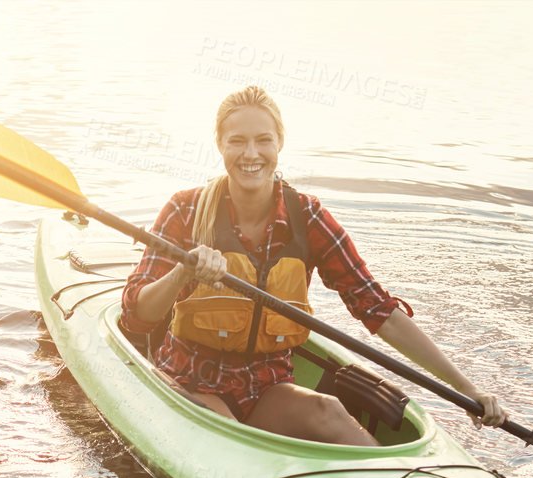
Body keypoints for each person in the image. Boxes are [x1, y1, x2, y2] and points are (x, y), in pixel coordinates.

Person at [121, 86, 506, 446]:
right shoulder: (186, 208)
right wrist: (183, 271)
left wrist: (466, 390)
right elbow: (137, 314)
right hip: (191, 382)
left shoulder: (309, 216)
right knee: (226, 434)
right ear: (220, 144)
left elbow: (378, 311)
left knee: (330, 410)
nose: (250, 154)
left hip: (267, 389)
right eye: (237, 141)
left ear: (280, 143)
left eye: (263, 140)